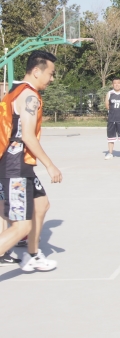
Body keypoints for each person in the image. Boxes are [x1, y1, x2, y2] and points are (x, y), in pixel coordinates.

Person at [0, 50, 63, 272]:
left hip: (21, 165)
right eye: (50, 73)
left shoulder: (16, 90)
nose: (52, 78)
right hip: (15, 168)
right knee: (21, 227)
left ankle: (33, 255)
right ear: (36, 71)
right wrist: (50, 164)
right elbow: (27, 136)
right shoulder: (29, 96)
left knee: (42, 204)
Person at [105, 78, 120, 160]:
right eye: (115, 83)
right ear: (112, 85)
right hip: (111, 119)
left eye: (118, 83)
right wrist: (112, 112)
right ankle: (110, 153)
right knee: (110, 137)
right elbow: (107, 104)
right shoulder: (110, 93)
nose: (116, 84)